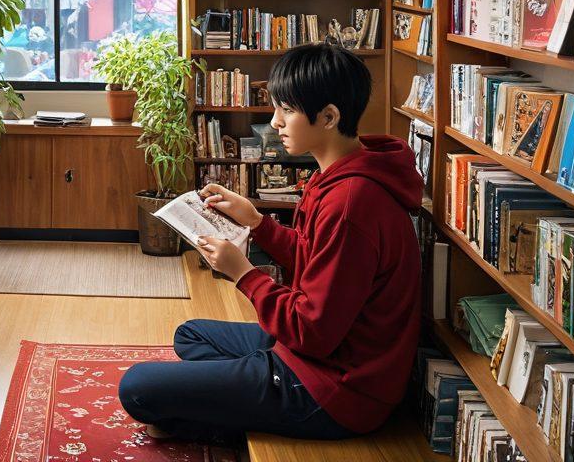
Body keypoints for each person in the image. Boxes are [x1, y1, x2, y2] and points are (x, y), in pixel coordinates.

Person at [119, 43, 423, 444]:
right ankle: (249, 392)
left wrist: (242, 273)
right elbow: (318, 264)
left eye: (287, 110)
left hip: (335, 390)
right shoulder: (340, 173)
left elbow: (312, 330)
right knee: (190, 335)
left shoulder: (351, 204)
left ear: (329, 116)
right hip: (312, 354)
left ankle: (251, 407)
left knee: (138, 386)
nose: (274, 121)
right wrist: (256, 222)